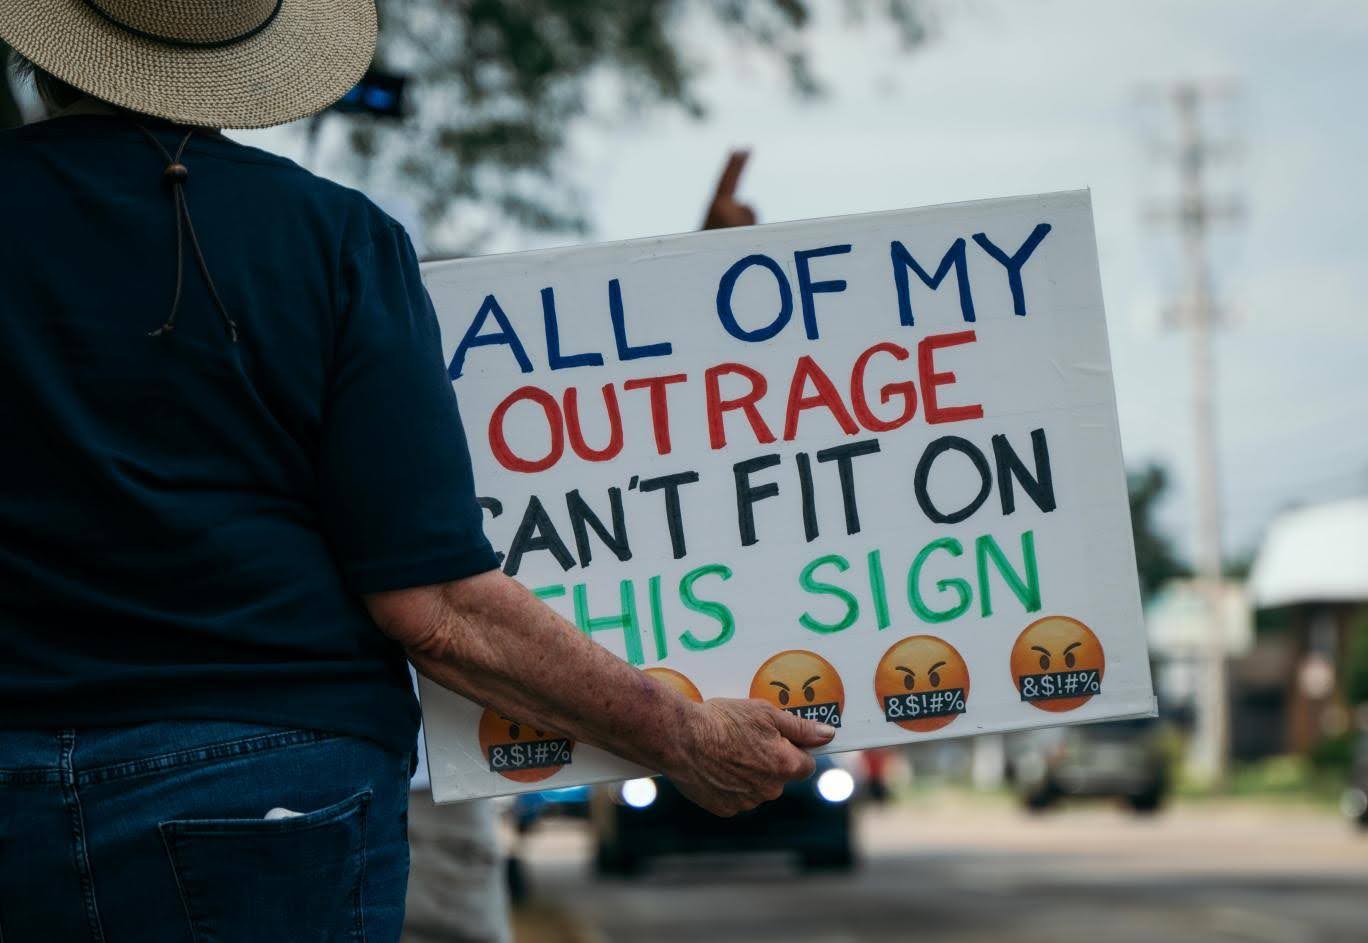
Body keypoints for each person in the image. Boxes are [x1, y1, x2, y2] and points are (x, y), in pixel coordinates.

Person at [0, 4, 832, 942]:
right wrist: (681, 734)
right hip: (270, 789)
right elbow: (431, 604)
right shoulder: (335, 239)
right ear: (240, 60)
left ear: (45, 45)